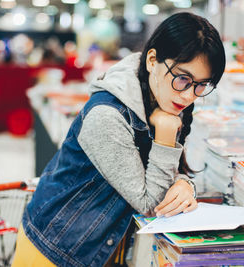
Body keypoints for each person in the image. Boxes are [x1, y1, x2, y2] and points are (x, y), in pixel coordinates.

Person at [12, 12, 226, 267]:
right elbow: (151, 203)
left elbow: (159, 170)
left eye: (202, 85)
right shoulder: (107, 116)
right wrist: (167, 135)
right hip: (53, 251)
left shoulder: (162, 99)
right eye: (183, 78)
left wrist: (184, 185)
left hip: (94, 250)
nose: (190, 95)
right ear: (152, 60)